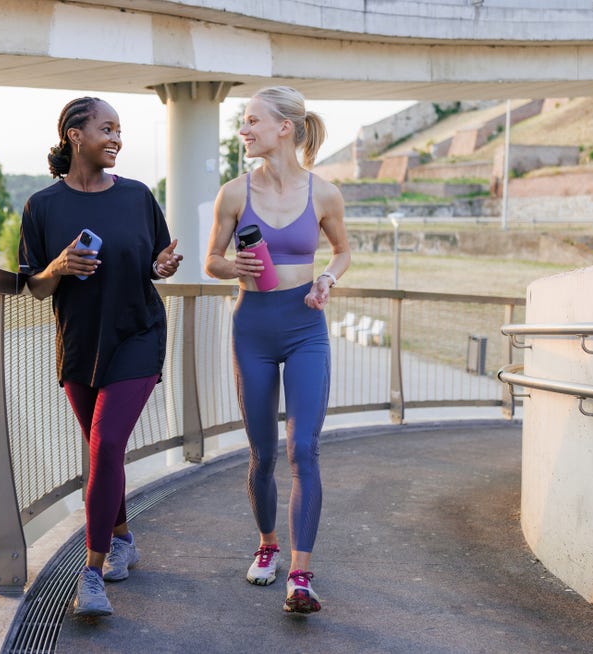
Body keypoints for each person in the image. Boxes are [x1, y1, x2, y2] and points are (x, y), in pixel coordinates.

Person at [18, 96, 183, 618]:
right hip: (79, 346)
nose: (116, 138)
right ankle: (124, 537)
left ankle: (91, 574)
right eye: (106, 128)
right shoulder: (42, 206)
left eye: (119, 130)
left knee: (107, 444)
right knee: (102, 453)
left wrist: (164, 265)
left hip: (137, 335)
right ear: (74, 135)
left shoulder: (137, 196)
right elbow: (36, 289)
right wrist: (59, 266)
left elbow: (156, 262)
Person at [204, 86, 351, 614]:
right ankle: (267, 545)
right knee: (263, 453)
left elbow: (343, 251)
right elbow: (211, 262)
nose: (243, 130)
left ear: (284, 127)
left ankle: (302, 574)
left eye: (251, 121)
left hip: (305, 324)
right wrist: (233, 267)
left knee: (303, 449)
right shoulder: (234, 193)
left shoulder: (325, 194)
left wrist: (328, 280)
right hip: (254, 327)